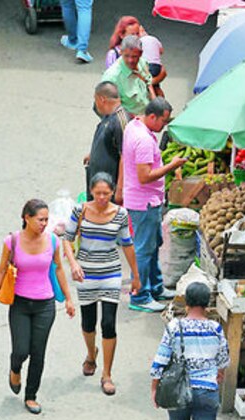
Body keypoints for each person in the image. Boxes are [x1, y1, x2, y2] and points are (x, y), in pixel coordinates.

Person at [0, 199, 76, 415]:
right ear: (27, 218)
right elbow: (0, 271)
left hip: (45, 304)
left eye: (46, 219)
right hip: (20, 304)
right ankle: (15, 368)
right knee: (21, 350)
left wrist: (69, 299)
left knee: (38, 352)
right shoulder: (12, 242)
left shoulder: (53, 240)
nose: (44, 223)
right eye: (40, 219)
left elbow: (59, 270)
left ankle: (31, 395)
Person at [150, 282, 229, 420]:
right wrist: (218, 374)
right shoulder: (215, 328)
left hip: (179, 390)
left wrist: (155, 387)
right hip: (207, 389)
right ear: (207, 304)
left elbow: (161, 358)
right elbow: (223, 358)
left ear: (186, 302)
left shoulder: (175, 326)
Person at [63, 174, 140, 395]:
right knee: (88, 323)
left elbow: (127, 244)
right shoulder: (81, 210)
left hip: (110, 272)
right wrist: (74, 263)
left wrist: (135, 275)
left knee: (108, 323)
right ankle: (91, 353)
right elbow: (67, 239)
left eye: (106, 193)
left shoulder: (120, 214)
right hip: (85, 273)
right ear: (91, 192)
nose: (102, 198)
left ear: (113, 192)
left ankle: (107, 374)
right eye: (98, 193)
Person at [121, 97, 186, 313]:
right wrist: (172, 165)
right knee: (143, 249)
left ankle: (155, 287)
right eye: (163, 122)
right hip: (144, 202)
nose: (164, 126)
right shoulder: (145, 141)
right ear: (151, 117)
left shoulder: (134, 125)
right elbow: (145, 176)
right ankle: (140, 295)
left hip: (146, 200)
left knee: (153, 244)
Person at [83, 82, 129, 201]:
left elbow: (125, 156)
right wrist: (92, 155)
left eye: (95, 99)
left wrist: (120, 189)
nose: (95, 104)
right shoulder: (107, 116)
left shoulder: (120, 121)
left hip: (108, 187)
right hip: (96, 180)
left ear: (102, 99)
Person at [100, 35, 153, 118]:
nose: (130, 60)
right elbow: (109, 109)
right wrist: (138, 120)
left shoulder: (142, 63)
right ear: (121, 52)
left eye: (134, 56)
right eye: (126, 56)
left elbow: (149, 84)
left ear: (141, 53)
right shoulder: (111, 77)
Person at [139, 26, 166, 98]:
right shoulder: (154, 39)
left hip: (146, 66)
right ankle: (163, 102)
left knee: (149, 87)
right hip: (157, 66)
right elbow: (161, 51)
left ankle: (154, 103)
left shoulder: (139, 41)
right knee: (156, 86)